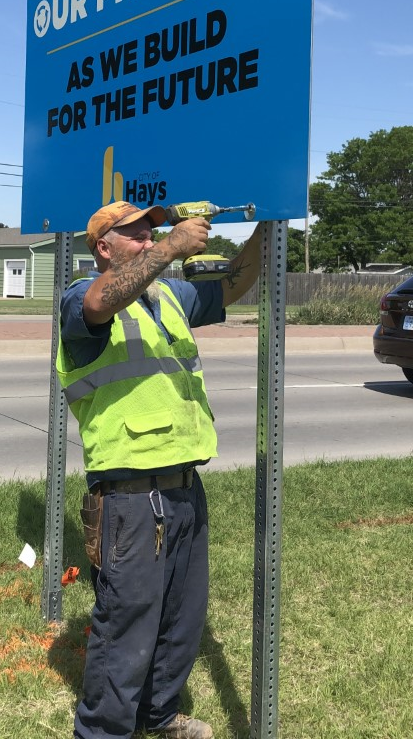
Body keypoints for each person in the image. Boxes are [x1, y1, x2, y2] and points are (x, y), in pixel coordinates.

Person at [58, 200, 264, 739]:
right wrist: (173, 246)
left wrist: (270, 225)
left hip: (184, 486)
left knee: (182, 619)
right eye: (137, 234)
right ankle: (102, 732)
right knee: (126, 626)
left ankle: (159, 715)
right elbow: (102, 303)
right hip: (128, 497)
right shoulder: (82, 297)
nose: (150, 239)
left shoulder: (167, 296)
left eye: (154, 231)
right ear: (104, 248)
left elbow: (234, 285)